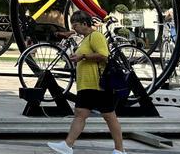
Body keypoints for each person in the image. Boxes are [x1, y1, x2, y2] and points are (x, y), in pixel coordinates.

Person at [48, 11, 125, 154]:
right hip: (87, 85)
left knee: (109, 116)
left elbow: (103, 55)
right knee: (80, 114)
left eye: (76, 25)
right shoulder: (86, 38)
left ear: (85, 24)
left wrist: (82, 56)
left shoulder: (96, 36)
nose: (74, 28)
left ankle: (120, 150)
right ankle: (67, 145)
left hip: (97, 85)